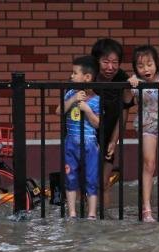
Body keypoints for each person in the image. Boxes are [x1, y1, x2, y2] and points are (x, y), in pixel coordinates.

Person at [128, 45, 159, 223]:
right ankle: (146, 208)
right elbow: (130, 99)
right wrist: (131, 84)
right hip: (147, 122)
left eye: (149, 64)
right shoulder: (135, 81)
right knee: (149, 164)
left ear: (156, 63)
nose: (146, 69)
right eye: (141, 66)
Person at [55, 55, 100, 219]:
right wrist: (73, 99)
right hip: (71, 142)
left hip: (90, 144)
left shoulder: (96, 100)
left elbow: (97, 124)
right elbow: (59, 111)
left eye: (75, 73)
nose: (71, 76)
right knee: (70, 176)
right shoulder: (70, 94)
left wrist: (87, 110)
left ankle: (92, 213)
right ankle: (72, 212)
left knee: (91, 178)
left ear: (87, 77)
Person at [90, 38, 134, 205]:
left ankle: (103, 221)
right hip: (86, 134)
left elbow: (125, 109)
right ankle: (80, 221)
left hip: (109, 134)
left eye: (115, 62)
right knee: (82, 183)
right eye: (105, 61)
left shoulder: (122, 77)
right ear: (96, 61)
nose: (110, 67)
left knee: (104, 183)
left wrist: (114, 141)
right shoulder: (88, 75)